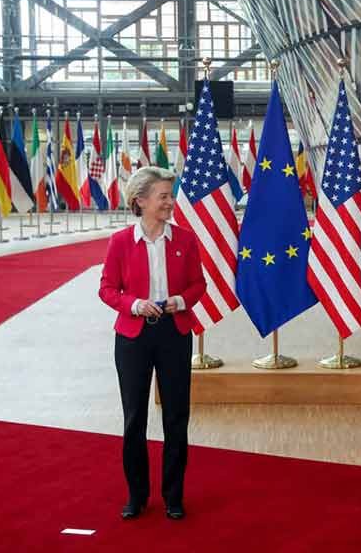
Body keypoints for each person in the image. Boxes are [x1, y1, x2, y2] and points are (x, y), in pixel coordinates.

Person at [99, 166, 206, 521]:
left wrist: (180, 301)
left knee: (177, 416)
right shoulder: (119, 242)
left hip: (174, 333)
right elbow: (107, 289)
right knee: (134, 418)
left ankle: (174, 496)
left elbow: (198, 285)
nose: (170, 202)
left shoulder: (185, 240)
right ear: (141, 200)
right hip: (133, 337)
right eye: (163, 196)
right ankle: (137, 496)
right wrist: (133, 305)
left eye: (170, 196)